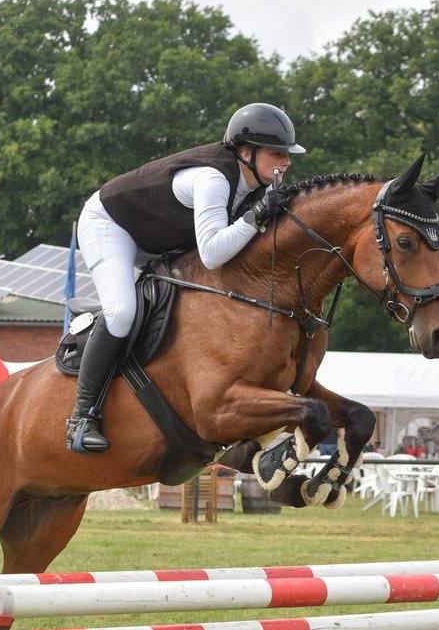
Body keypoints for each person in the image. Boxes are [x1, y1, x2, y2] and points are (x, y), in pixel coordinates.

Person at [66, 102, 306, 453]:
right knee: (121, 313)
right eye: (276, 153)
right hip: (111, 225)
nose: (285, 162)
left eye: (286, 154)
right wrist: (255, 217)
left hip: (159, 237)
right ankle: (81, 417)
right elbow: (211, 254)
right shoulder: (212, 179)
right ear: (245, 153)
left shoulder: (257, 187)